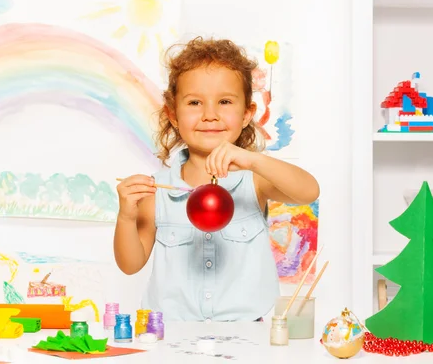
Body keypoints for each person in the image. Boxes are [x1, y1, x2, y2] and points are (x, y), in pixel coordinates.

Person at [114, 36, 320, 322]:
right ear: (173, 115)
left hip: (247, 334)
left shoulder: (254, 180)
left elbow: (309, 191)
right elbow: (130, 264)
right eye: (195, 102)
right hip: (172, 334)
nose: (210, 115)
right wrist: (125, 215)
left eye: (224, 101)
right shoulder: (156, 190)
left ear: (247, 114)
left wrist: (254, 159)